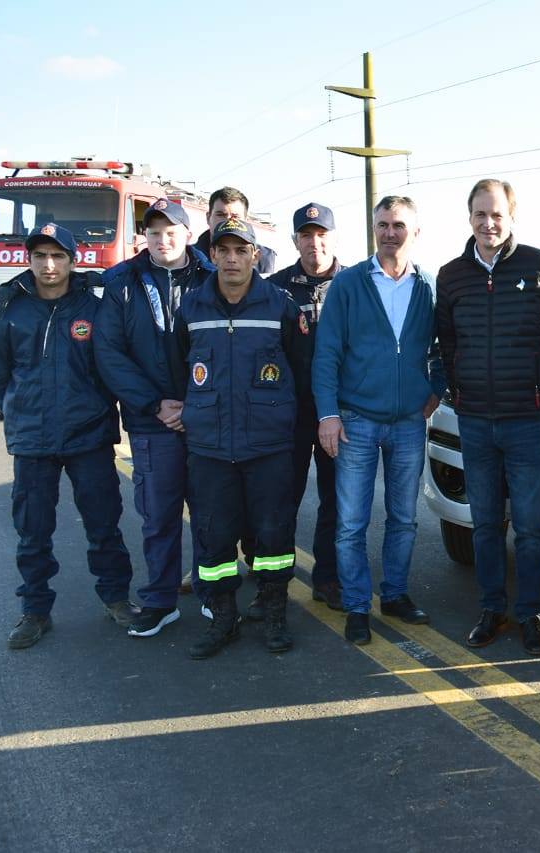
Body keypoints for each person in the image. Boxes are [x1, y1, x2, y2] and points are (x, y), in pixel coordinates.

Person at [435, 179, 540, 656]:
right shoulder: (451, 275)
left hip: (528, 420)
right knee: (485, 524)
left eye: (497, 215)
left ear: (511, 217)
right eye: (480, 215)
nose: (489, 223)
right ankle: (492, 609)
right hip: (475, 421)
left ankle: (530, 613)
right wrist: (457, 390)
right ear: (469, 217)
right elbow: (447, 341)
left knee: (529, 526)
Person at [0, 223, 136, 648]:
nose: (48, 265)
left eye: (57, 256)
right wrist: (17, 412)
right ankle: (35, 611)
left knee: (104, 524)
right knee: (33, 531)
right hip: (33, 438)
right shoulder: (7, 308)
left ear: (72, 260)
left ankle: (116, 598)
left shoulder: (95, 307)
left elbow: (111, 366)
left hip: (89, 435)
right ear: (28, 259)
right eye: (40, 256)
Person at [174, 217, 306, 659]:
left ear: (255, 255)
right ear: (211, 255)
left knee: (274, 536)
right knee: (213, 537)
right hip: (210, 447)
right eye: (223, 250)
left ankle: (274, 612)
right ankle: (223, 618)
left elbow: (301, 370)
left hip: (268, 445)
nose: (232, 258)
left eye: (240, 250)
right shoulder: (191, 308)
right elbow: (178, 368)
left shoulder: (281, 306)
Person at [313, 196, 443, 646]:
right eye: (383, 224)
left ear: (415, 231)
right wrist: (328, 414)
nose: (390, 232)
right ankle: (356, 606)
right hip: (356, 420)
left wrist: (436, 388)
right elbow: (326, 353)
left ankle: (395, 594)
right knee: (351, 522)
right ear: (373, 229)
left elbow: (444, 346)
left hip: (408, 422)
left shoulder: (428, 286)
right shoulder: (349, 284)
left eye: (399, 225)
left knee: (403, 518)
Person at [94, 199, 214, 638]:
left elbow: (223, 349)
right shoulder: (121, 283)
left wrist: (193, 406)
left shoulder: (211, 279)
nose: (163, 239)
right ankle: (161, 601)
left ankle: (211, 593)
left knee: (209, 515)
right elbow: (109, 352)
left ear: (188, 234)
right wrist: (154, 404)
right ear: (144, 236)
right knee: (159, 517)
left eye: (171, 231)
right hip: (151, 422)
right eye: (154, 231)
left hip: (204, 421)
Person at [269, 202, 343, 612]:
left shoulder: (353, 284)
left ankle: (328, 578)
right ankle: (274, 583)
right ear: (295, 240)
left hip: (336, 412)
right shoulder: (275, 287)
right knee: (283, 500)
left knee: (336, 500)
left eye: (321, 234)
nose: (314, 242)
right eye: (306, 235)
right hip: (290, 414)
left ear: (333, 238)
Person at [194, 186, 277, 274]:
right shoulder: (190, 256)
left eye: (235, 217)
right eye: (221, 215)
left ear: (246, 221)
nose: (227, 221)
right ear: (208, 218)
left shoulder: (264, 259)